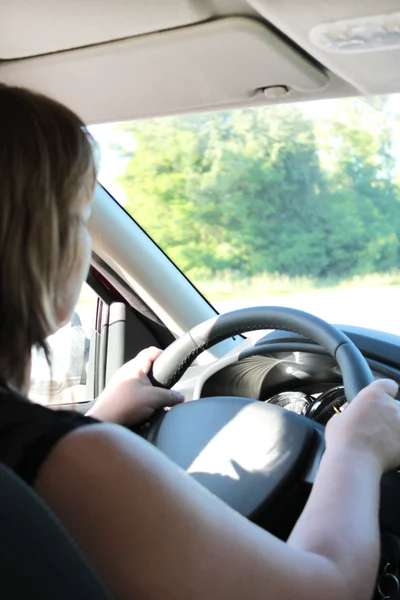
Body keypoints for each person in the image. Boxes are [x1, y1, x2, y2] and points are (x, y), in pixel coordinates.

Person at [0, 83, 399, 600]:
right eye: (78, 219)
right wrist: (357, 450)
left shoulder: (58, 454)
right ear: (34, 245)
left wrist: (92, 420)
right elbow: (326, 588)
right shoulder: (83, 461)